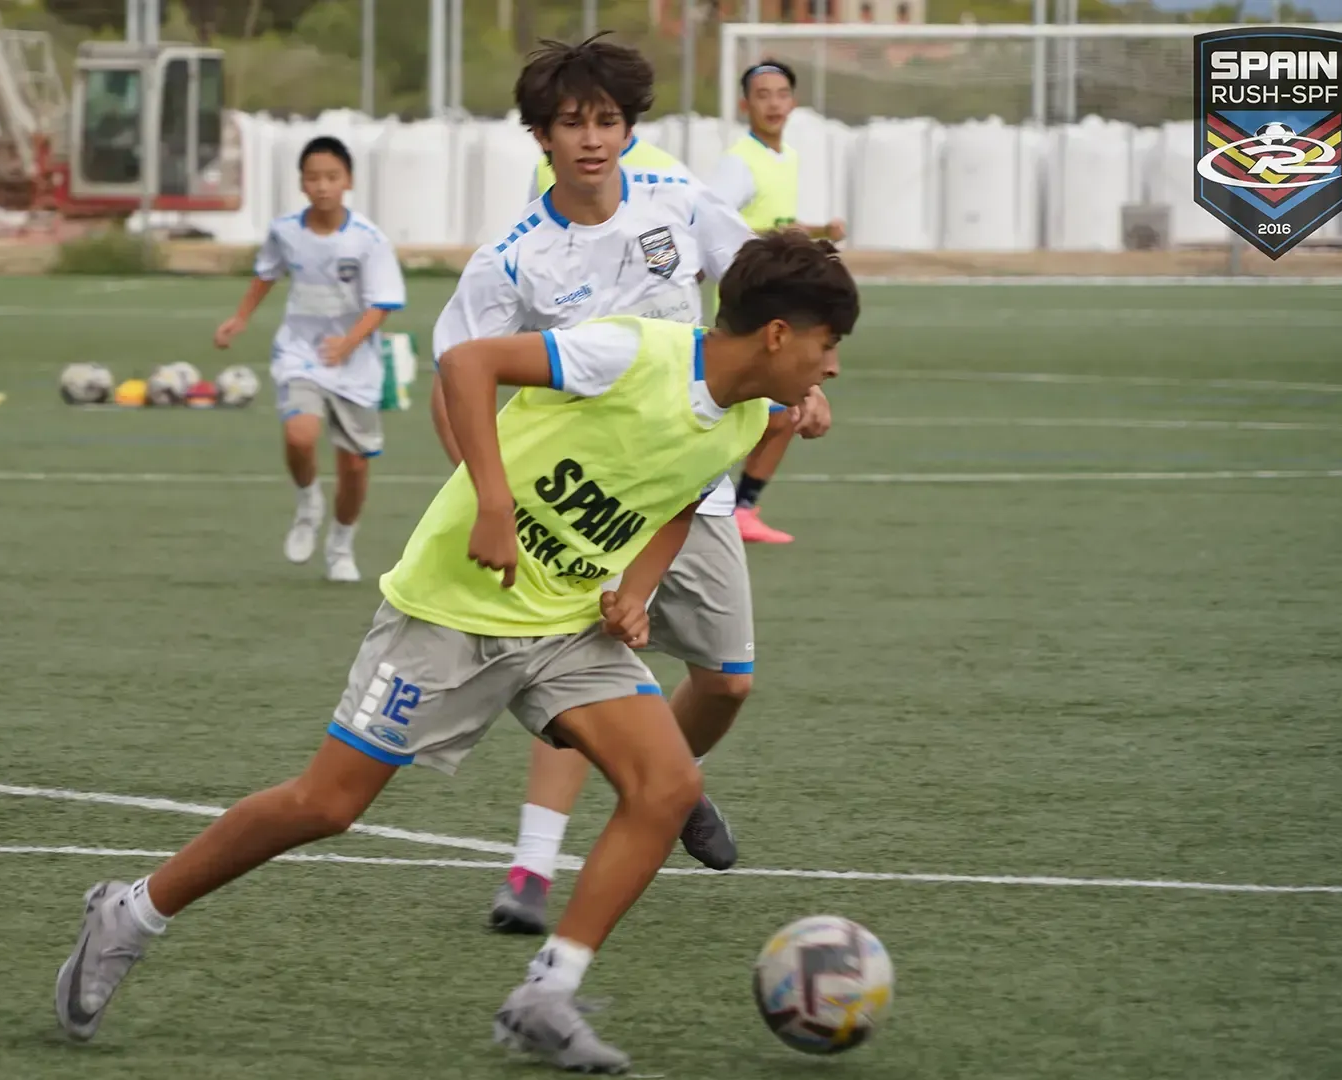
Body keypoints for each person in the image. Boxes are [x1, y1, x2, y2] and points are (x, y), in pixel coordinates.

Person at [54, 230, 857, 1072]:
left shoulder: (746, 416)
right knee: (327, 804)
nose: (833, 367)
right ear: (777, 335)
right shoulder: (631, 352)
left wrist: (638, 589)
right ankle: (132, 912)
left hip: (565, 625)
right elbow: (468, 363)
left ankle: (546, 995)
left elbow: (680, 499)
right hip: (453, 611)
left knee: (669, 786)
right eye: (828, 344)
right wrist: (494, 504)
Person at [431, 34, 834, 936]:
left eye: (606, 121)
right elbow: (453, 377)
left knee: (727, 683)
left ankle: (668, 781)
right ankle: (532, 870)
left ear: (628, 128)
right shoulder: (513, 257)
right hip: (580, 508)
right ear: (541, 135)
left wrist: (803, 381)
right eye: (571, 123)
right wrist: (488, 498)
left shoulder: (676, 204)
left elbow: (764, 288)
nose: (591, 138)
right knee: (585, 679)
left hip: (688, 489)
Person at [215, 136, 406, 582]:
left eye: (332, 177)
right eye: (313, 177)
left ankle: (341, 545)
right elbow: (266, 273)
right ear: (301, 183)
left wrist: (348, 344)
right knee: (299, 435)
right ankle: (308, 504)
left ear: (348, 181)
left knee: (354, 466)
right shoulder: (285, 231)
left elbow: (383, 303)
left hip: (355, 363)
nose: (322, 186)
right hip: (300, 353)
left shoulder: (368, 240)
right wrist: (240, 318)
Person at [710, 59, 847, 544]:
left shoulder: (784, 157)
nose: (773, 103)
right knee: (774, 411)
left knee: (781, 412)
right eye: (762, 95)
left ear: (793, 101)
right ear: (744, 104)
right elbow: (714, 220)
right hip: (752, 309)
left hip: (779, 307)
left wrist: (816, 231)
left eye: (781, 93)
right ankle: (728, 506)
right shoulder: (739, 161)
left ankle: (739, 508)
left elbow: (777, 224)